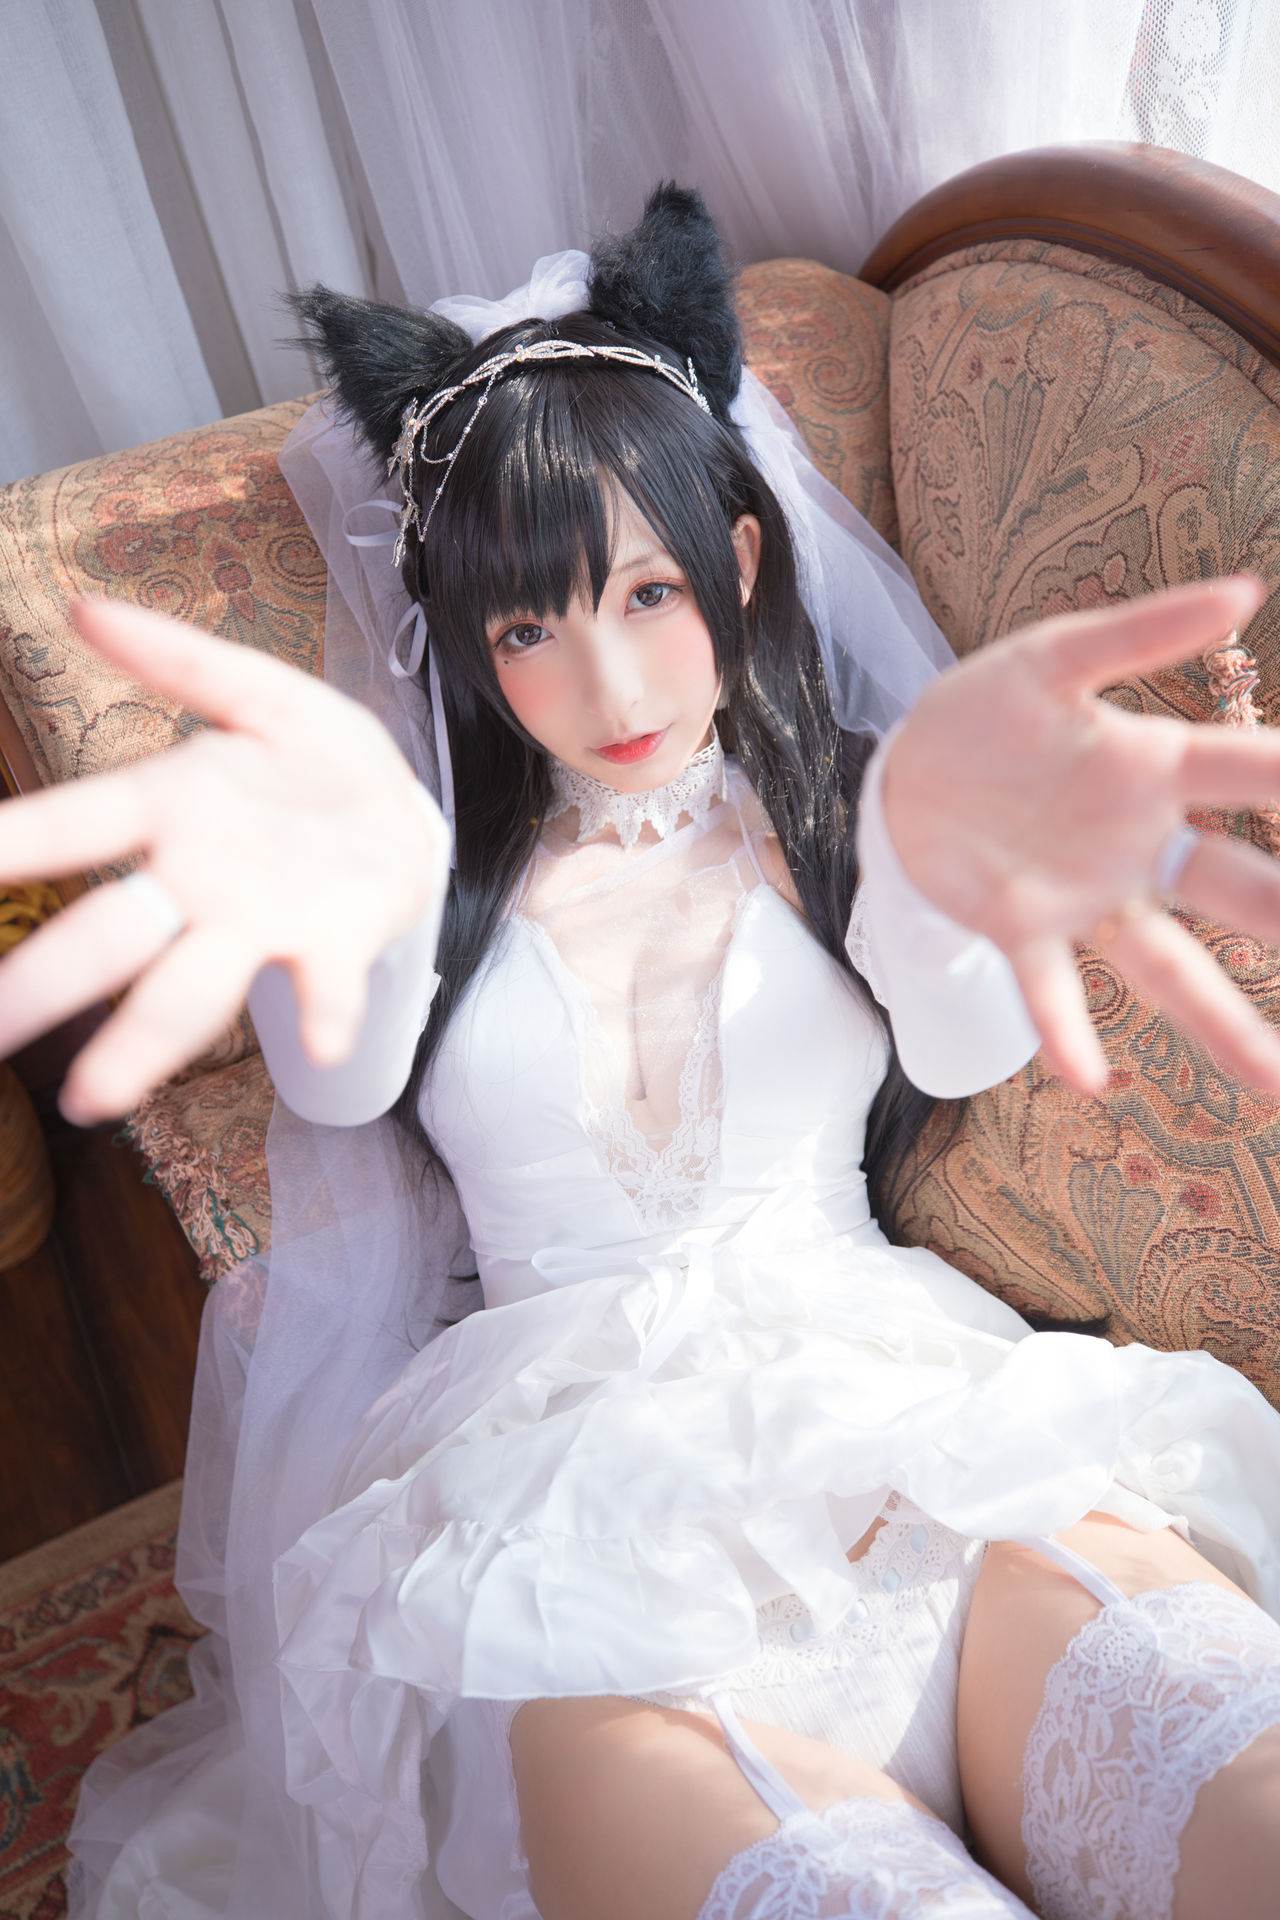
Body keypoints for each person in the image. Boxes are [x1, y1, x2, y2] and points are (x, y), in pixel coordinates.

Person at [5, 186, 1280, 1920]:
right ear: (464, 643)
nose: (605, 684)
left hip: (915, 1424)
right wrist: (357, 907)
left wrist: (929, 879)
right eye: (528, 627)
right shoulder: (431, 881)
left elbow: (968, 1036)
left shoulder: (848, 812)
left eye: (649, 590)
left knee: (1230, 1770)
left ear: (737, 565)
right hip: (568, 1517)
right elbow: (337, 1087)